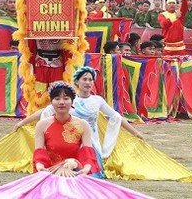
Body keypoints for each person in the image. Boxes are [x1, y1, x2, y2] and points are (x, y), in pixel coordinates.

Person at [0, 83, 152, 199]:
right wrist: (42, 167)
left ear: (72, 102)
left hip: (75, 174)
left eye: (66, 98)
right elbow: (40, 151)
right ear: (51, 102)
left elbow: (87, 151)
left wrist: (86, 168)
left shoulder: (82, 125)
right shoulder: (43, 125)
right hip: (49, 174)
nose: (61, 102)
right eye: (57, 98)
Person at [14, 67, 143, 175]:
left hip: (88, 143)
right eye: (84, 79)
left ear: (71, 102)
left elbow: (116, 116)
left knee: (92, 173)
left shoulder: (97, 101)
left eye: (90, 80)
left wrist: (136, 132)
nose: (88, 82)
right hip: (54, 158)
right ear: (77, 81)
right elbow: (42, 116)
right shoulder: (56, 110)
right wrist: (21, 123)